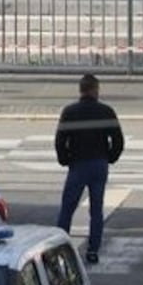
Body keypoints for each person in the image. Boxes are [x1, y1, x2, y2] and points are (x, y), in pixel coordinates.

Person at [54, 74, 125, 265]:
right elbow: (118, 140)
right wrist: (110, 157)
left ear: (80, 90)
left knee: (67, 208)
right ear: (95, 90)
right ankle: (93, 250)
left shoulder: (69, 112)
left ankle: (60, 250)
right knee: (96, 209)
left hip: (78, 164)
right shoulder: (106, 111)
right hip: (99, 164)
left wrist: (65, 159)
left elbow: (60, 140)